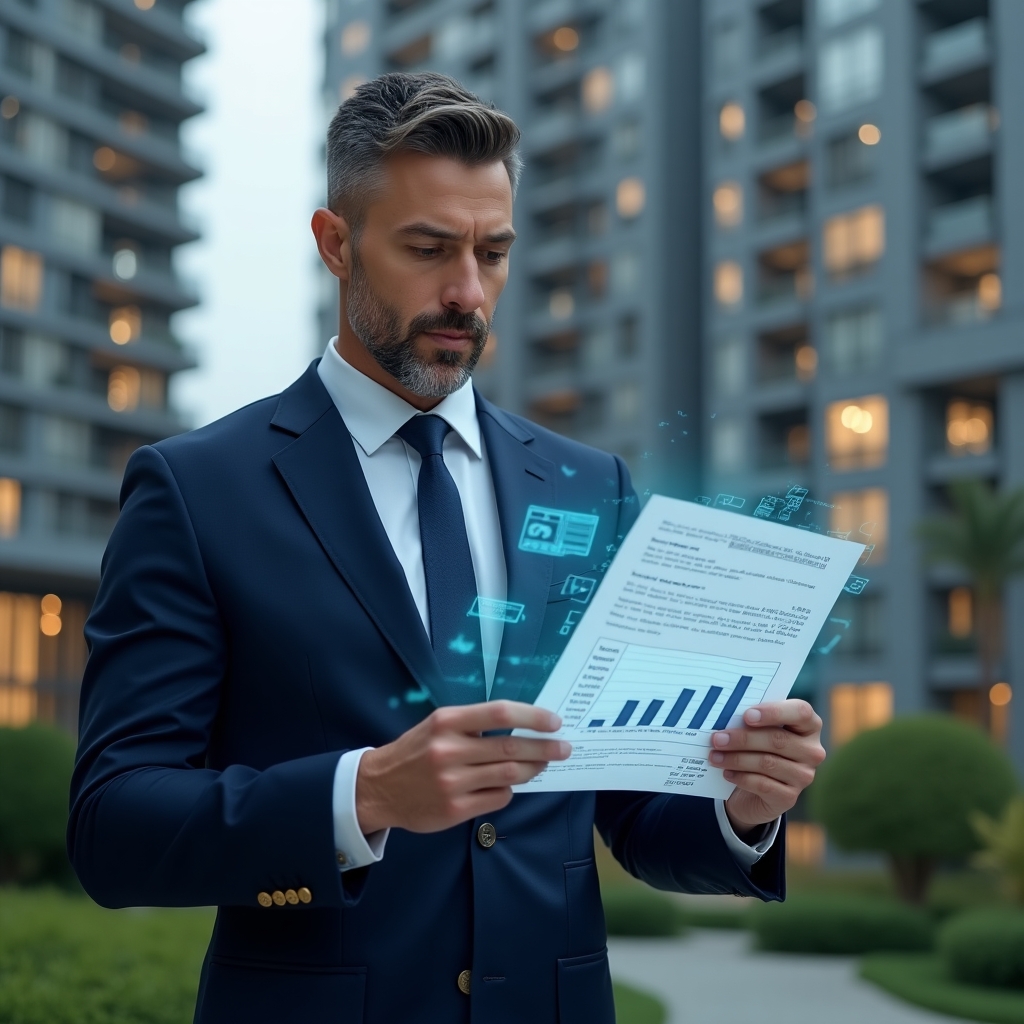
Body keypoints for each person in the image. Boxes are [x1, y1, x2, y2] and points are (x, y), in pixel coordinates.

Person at [68, 73, 825, 1024]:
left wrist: (742, 806)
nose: (468, 292)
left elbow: (627, 811)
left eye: (494, 252)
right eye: (428, 249)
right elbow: (114, 827)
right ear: (335, 244)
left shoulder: (593, 487)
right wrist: (365, 794)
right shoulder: (196, 490)